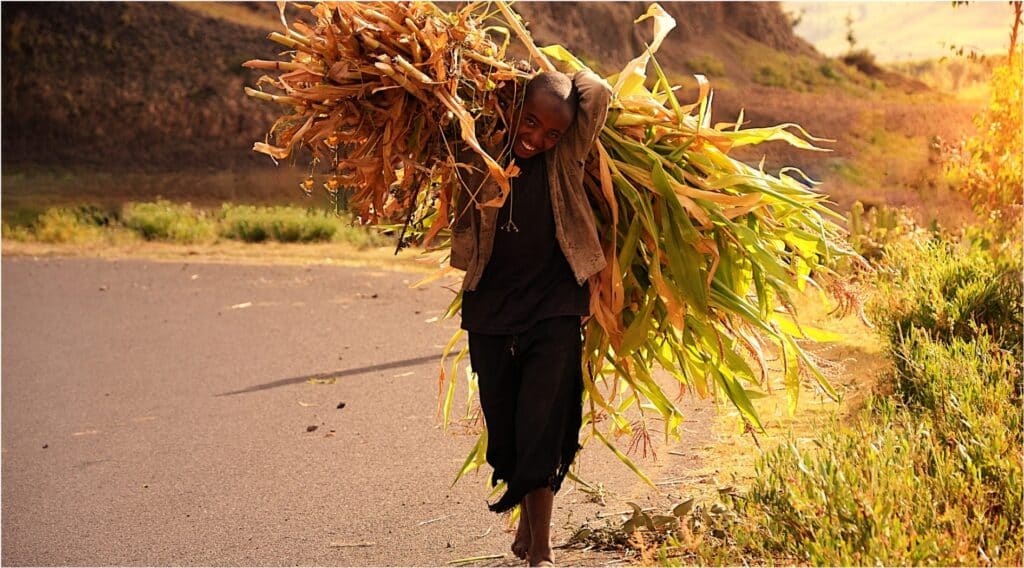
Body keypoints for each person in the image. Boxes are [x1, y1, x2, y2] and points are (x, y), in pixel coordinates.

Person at [450, 69, 612, 566]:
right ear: (513, 109)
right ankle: (526, 511)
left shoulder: (566, 156)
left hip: (557, 303)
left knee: (542, 420)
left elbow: (597, 91)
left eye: (552, 132)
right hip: (491, 305)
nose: (538, 138)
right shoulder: (480, 145)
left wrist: (553, 79)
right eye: (531, 122)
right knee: (507, 428)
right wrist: (513, 86)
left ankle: (541, 547)